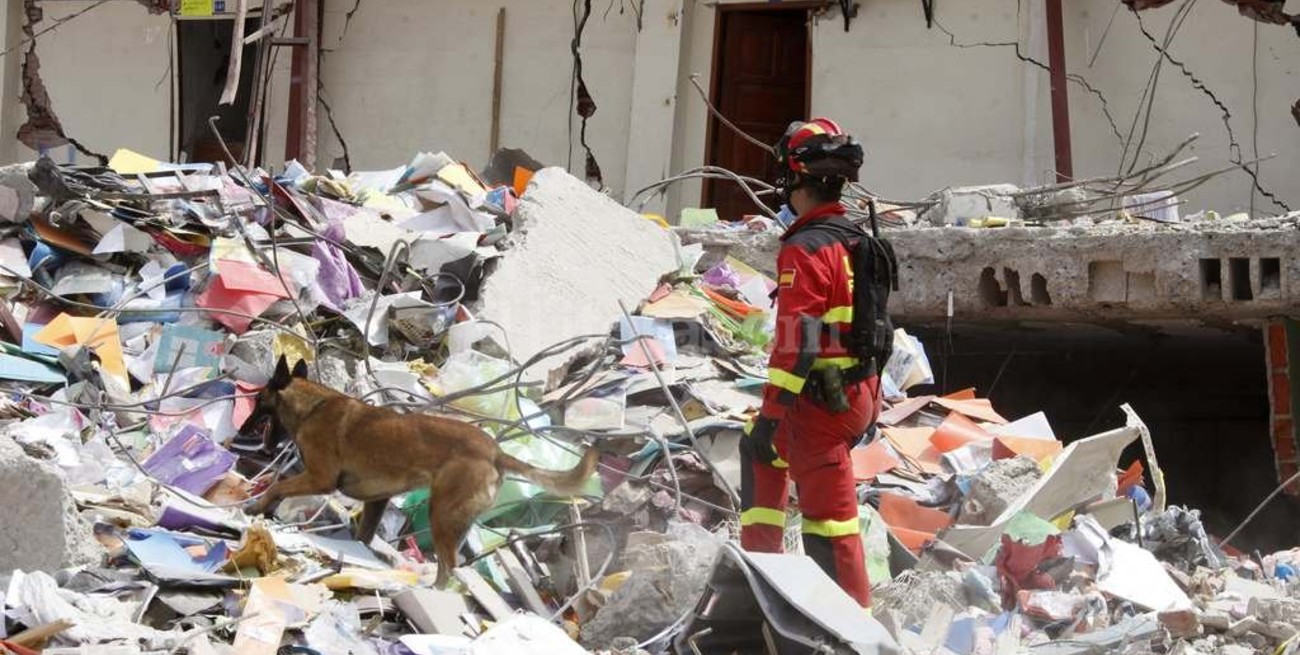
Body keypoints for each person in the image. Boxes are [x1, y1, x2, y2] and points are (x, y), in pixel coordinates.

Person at [739, 117, 885, 608]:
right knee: (759, 450)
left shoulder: (805, 249)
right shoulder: (855, 239)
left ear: (792, 175)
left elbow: (794, 346)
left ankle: (848, 624)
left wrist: (771, 415)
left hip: (819, 409)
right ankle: (766, 574)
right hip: (857, 395)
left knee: (831, 524)